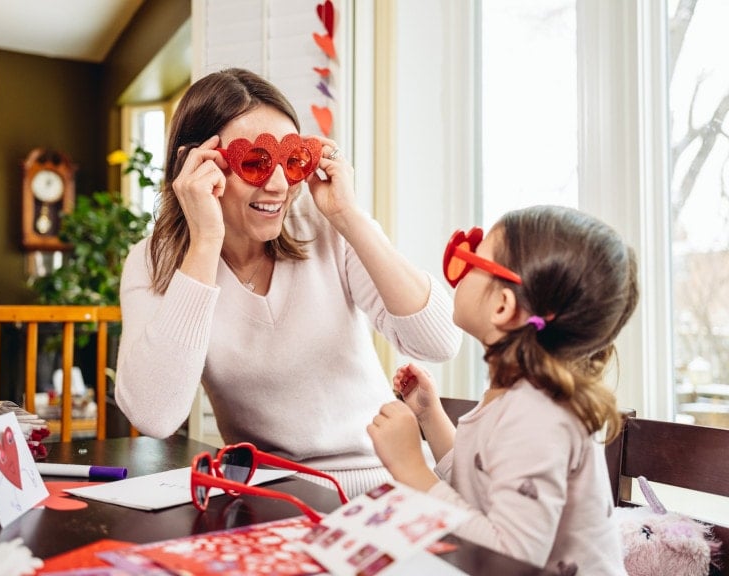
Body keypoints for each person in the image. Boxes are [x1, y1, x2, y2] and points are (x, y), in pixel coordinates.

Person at [114, 68, 462, 497]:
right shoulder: (155, 262)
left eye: (292, 161)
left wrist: (349, 217)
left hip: (390, 481)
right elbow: (154, 415)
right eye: (255, 162)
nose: (279, 185)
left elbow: (439, 343)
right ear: (196, 165)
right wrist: (204, 242)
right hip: (274, 497)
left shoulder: (328, 227)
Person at [367, 205, 639, 574]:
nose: (461, 270)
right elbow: (477, 481)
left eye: (474, 259)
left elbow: (512, 556)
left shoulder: (537, 416)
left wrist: (412, 469)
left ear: (502, 305)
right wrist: (429, 417)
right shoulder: (517, 393)